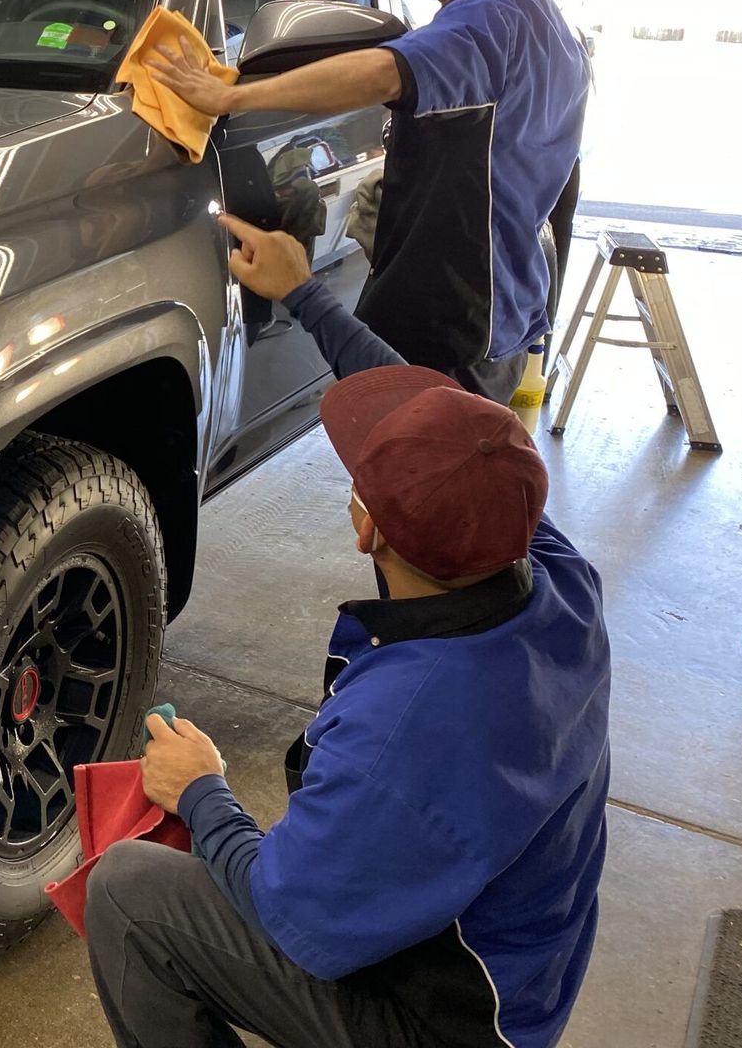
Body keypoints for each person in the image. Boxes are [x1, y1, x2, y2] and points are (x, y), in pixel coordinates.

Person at [84, 212, 611, 1048]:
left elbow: (294, 911)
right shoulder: (557, 577)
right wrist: (305, 293)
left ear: (365, 527)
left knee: (128, 892)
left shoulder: (405, 722)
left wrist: (202, 789)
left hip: (450, 1024)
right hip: (523, 980)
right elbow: (441, 419)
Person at [143, 0, 588, 401]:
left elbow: (384, 70)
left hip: (452, 324)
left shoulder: (491, 19)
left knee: (416, 478)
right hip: (505, 310)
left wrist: (232, 94)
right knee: (444, 471)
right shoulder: (558, 30)